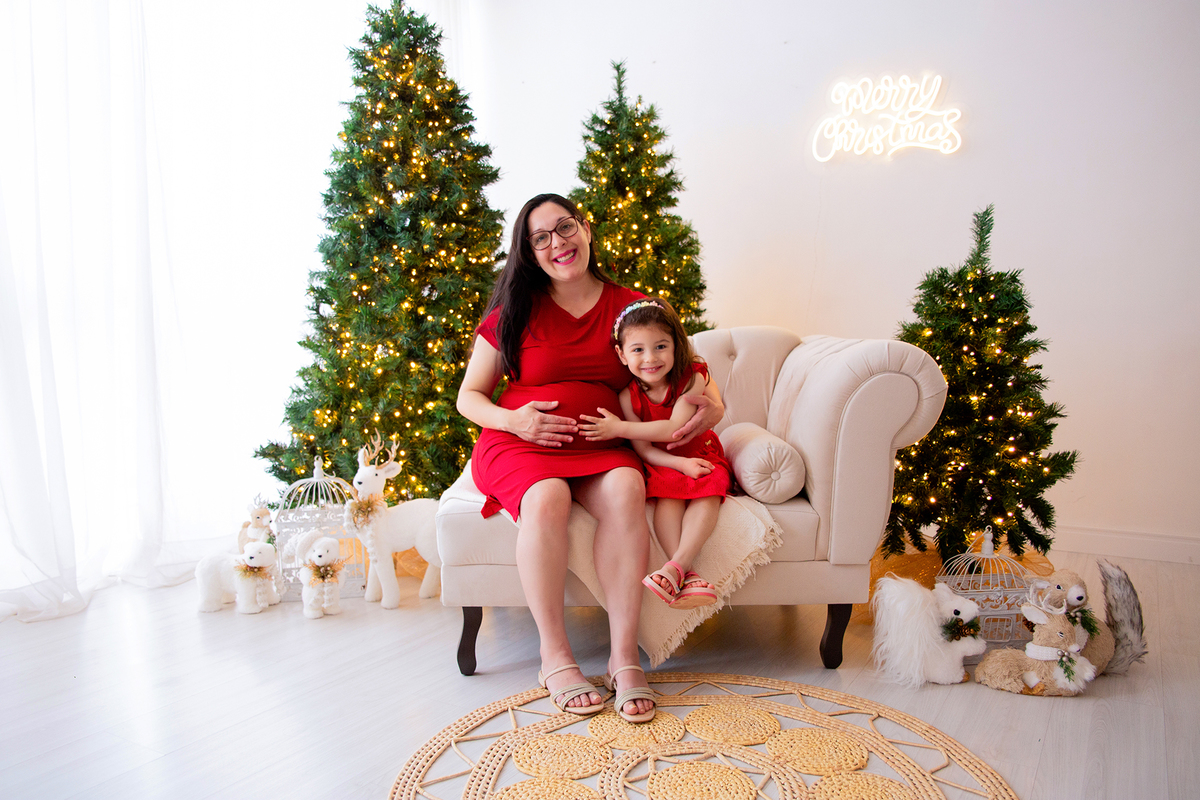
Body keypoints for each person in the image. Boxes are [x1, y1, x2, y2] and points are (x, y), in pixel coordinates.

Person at [456, 193, 724, 723]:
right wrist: (516, 420)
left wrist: (714, 405)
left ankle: (624, 658)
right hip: (522, 441)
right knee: (548, 497)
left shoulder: (629, 304)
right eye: (541, 237)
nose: (558, 243)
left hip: (602, 440)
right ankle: (554, 656)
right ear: (529, 252)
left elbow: (689, 373)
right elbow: (470, 397)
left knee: (626, 489)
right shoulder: (512, 312)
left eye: (565, 227)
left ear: (586, 230)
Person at [579, 298, 733, 610]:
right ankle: (684, 576)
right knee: (669, 498)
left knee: (709, 489)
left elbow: (674, 428)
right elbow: (646, 451)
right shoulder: (628, 397)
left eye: (661, 346)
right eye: (638, 350)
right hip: (665, 462)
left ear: (677, 346)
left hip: (700, 452)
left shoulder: (693, 376)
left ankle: (677, 565)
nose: (650, 358)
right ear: (622, 354)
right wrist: (679, 464)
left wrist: (618, 428)